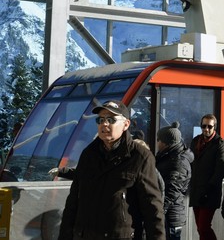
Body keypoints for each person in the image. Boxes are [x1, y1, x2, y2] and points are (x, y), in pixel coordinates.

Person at [58, 100, 165, 240]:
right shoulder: (88, 154)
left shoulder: (140, 157)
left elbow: (152, 208)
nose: (104, 124)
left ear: (126, 124)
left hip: (120, 235)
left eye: (111, 119)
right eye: (100, 119)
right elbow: (73, 201)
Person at [190, 113, 224, 240]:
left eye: (209, 127)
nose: (206, 129)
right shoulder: (196, 141)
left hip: (209, 193)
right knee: (200, 228)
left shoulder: (220, 144)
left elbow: (220, 170)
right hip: (196, 191)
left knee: (203, 227)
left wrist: (208, 191)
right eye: (203, 126)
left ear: (214, 127)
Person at [156, 121, 194, 240]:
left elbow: (172, 191)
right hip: (167, 213)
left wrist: (159, 211)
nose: (157, 143)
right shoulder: (167, 156)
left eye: (158, 140)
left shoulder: (178, 162)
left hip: (171, 215)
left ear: (165, 143)